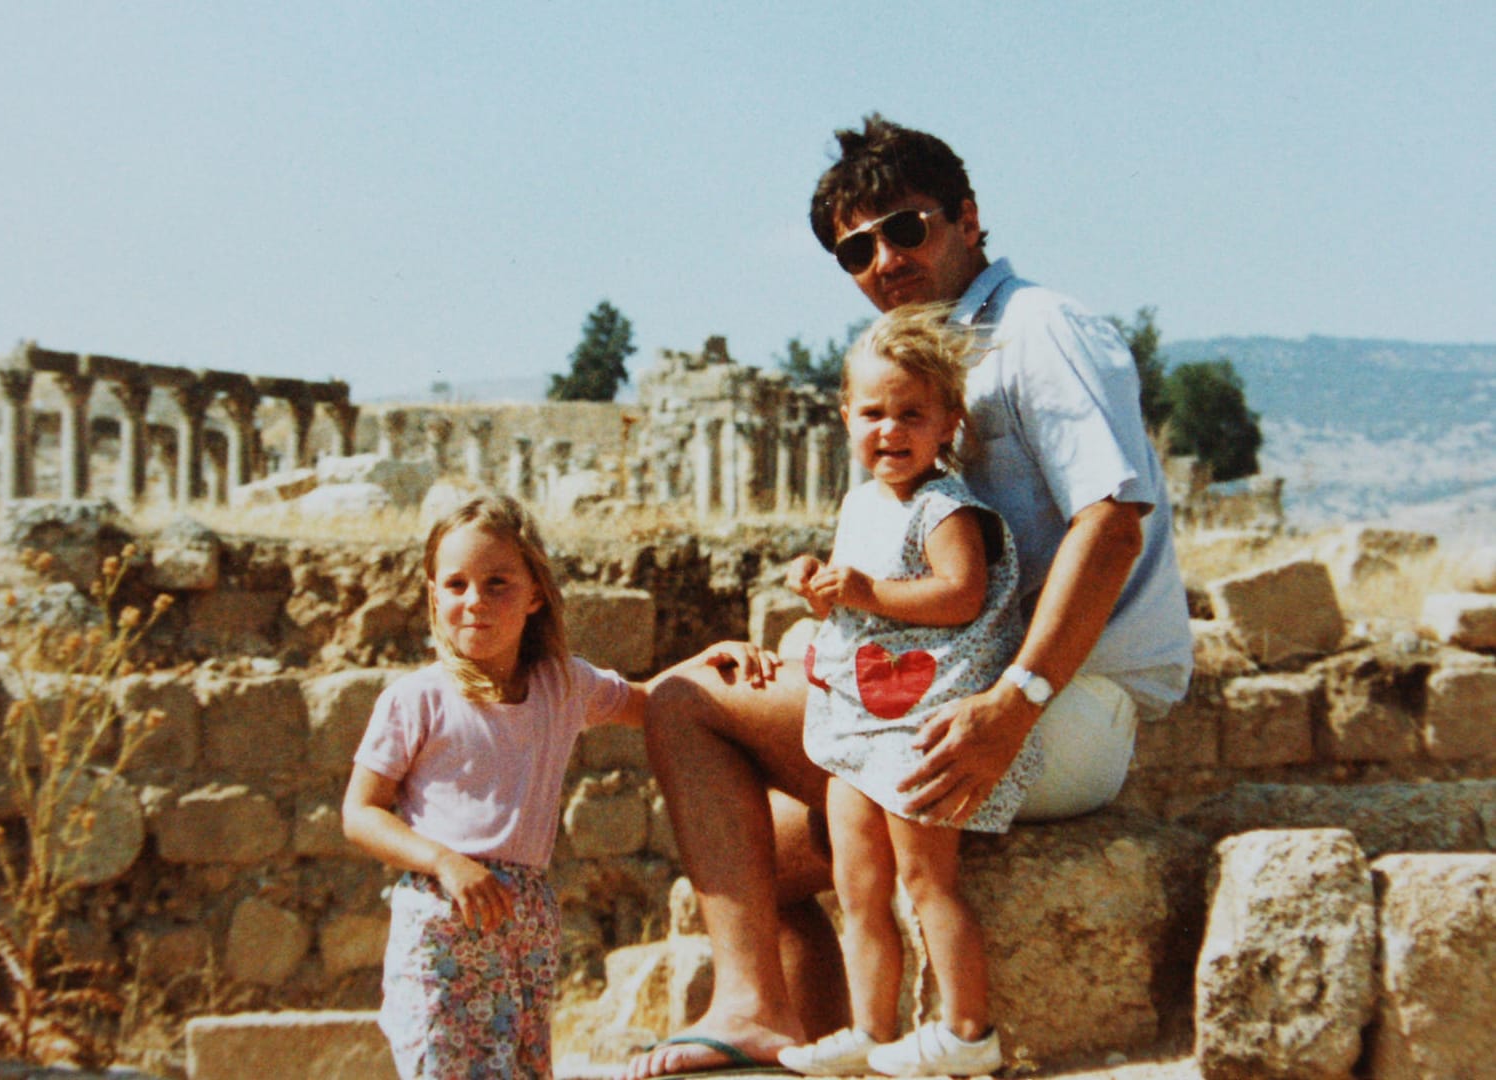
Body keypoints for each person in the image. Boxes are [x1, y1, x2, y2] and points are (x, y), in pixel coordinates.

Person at [623, 114, 1193, 1079]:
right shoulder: (920, 363)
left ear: (968, 219)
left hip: (1061, 706)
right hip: (948, 687)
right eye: (855, 248)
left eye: (905, 228)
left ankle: (750, 1007)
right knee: (754, 853)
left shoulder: (1038, 329)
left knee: (682, 701)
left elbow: (1111, 523)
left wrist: (1017, 702)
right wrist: (810, 653)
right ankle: (833, 1042)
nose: (883, 259)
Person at [342, 493, 772, 1078]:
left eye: (497, 584)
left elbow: (650, 702)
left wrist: (710, 661)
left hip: (525, 921)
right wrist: (445, 862)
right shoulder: (416, 699)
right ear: (432, 594)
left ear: (535, 595)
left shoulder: (562, 686)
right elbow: (361, 812)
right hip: (441, 920)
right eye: (456, 585)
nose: (474, 602)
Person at [776, 302, 1025, 1077]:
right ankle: (872, 1029)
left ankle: (967, 1029)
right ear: (846, 415)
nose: (891, 431)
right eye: (875, 413)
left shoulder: (946, 508)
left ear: (949, 420)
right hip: (862, 721)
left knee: (925, 877)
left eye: (912, 414)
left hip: (922, 720)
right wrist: (822, 588)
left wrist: (869, 593)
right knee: (858, 883)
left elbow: (960, 594)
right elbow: (861, 597)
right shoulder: (860, 504)